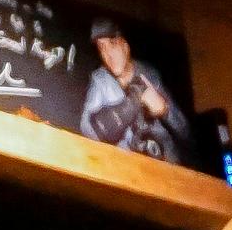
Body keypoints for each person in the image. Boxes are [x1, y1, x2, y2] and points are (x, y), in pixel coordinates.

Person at [77, 21, 187, 163]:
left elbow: (186, 133)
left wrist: (165, 111)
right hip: (131, 170)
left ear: (125, 46)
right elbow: (86, 128)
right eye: (102, 48)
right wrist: (121, 113)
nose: (108, 54)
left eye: (113, 44)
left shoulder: (150, 75)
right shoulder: (101, 80)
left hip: (169, 169)